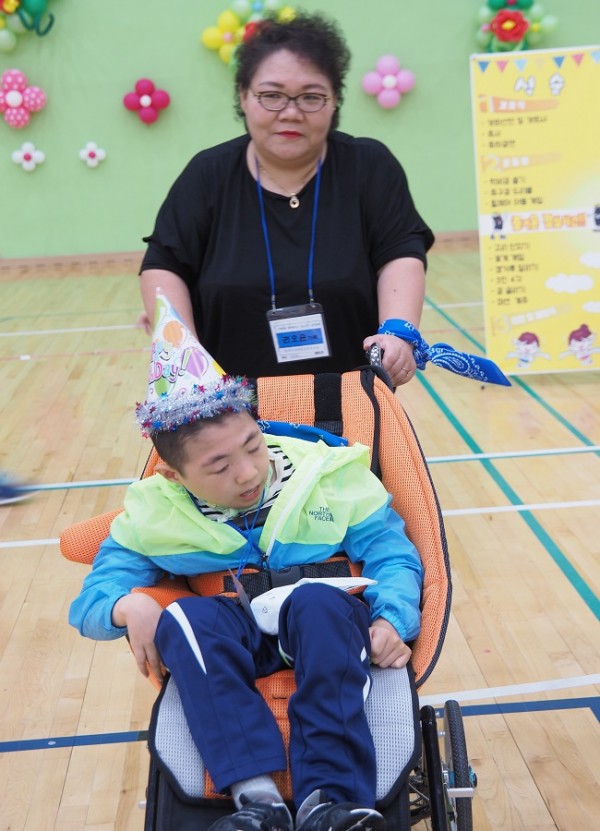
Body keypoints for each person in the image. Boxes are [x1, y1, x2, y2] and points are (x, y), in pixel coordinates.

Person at [70, 292, 424, 831]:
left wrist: (392, 618)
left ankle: (330, 801)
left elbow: (392, 553)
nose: (248, 472)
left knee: (316, 603)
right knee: (183, 617)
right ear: (173, 475)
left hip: (326, 619)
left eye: (253, 446)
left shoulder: (326, 473)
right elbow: (94, 597)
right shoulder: (155, 510)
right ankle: (258, 802)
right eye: (219, 466)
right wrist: (125, 606)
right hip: (234, 629)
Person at [138, 11, 434, 388]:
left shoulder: (369, 167)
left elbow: (400, 253)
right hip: (229, 405)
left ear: (334, 101)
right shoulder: (207, 175)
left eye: (311, 97)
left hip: (352, 396)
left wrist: (398, 332)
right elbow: (164, 266)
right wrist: (184, 358)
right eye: (272, 96)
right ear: (244, 97)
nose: (291, 112)